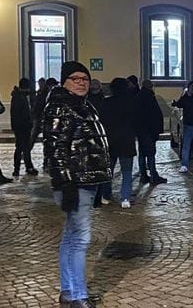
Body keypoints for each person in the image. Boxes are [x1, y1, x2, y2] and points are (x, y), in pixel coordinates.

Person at [43, 61, 112, 308]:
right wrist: (66, 183)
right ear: (64, 81)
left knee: (71, 238)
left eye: (85, 78)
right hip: (75, 182)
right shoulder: (61, 107)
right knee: (80, 239)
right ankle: (78, 296)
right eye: (75, 78)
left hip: (85, 180)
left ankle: (69, 292)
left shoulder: (82, 105)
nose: (81, 81)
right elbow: (56, 149)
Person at [98, 78, 137, 208]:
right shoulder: (131, 103)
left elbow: (101, 122)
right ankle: (125, 197)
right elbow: (136, 121)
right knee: (127, 171)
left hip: (110, 141)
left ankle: (106, 195)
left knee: (109, 169)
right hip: (126, 140)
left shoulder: (106, 103)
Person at [135, 79, 167, 185]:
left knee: (142, 153)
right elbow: (154, 115)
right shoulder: (149, 96)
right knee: (150, 153)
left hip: (141, 130)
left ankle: (144, 176)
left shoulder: (139, 96)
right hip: (148, 131)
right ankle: (154, 176)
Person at [10, 78, 38, 177]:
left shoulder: (19, 96)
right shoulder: (19, 98)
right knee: (21, 147)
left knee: (24, 148)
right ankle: (18, 168)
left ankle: (27, 166)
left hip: (22, 126)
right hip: (21, 127)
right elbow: (18, 114)